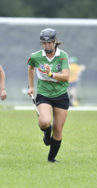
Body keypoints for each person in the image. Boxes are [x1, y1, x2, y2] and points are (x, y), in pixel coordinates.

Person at [27, 28, 70, 163]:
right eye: (44, 43)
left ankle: (51, 158)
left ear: (55, 42)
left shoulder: (62, 55)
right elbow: (30, 68)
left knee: (58, 129)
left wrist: (51, 74)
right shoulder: (36, 56)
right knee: (45, 122)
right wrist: (32, 86)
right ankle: (46, 132)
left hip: (61, 95)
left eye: (50, 43)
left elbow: (66, 76)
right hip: (44, 94)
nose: (47, 46)